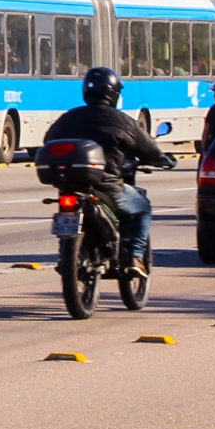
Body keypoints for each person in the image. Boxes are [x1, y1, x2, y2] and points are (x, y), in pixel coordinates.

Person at [42, 66, 168, 273]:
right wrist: (162, 159)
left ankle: (66, 253)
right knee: (143, 208)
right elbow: (149, 149)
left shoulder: (69, 117)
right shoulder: (122, 120)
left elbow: (48, 140)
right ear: (114, 93)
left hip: (70, 186)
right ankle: (135, 257)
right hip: (108, 187)